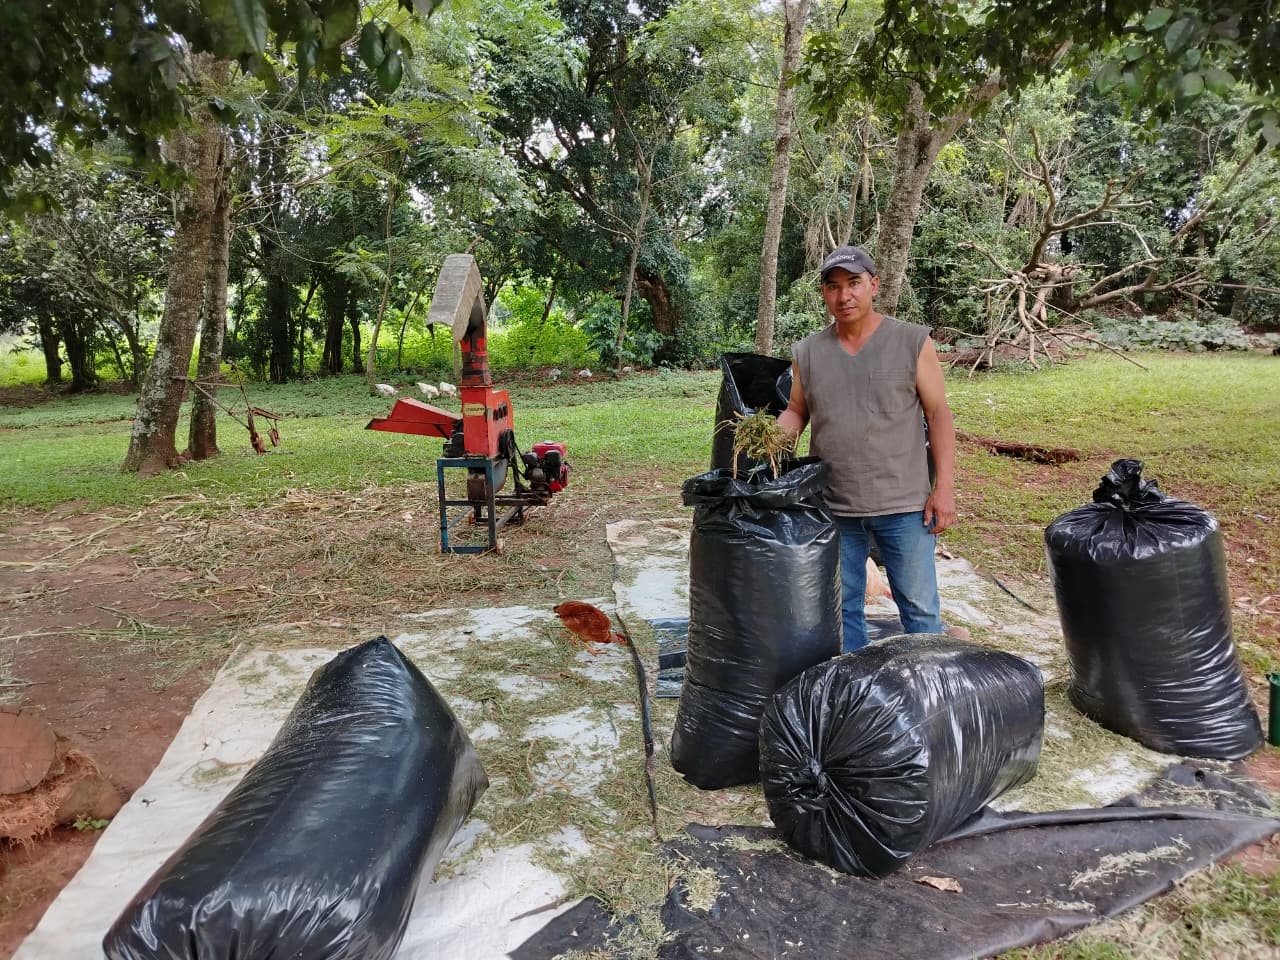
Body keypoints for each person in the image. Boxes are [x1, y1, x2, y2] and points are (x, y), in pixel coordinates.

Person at [777, 245, 957, 652]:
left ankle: (923, 695)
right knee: (842, 610)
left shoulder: (911, 342)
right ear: (823, 293)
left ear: (873, 285)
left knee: (920, 613)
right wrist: (771, 437)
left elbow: (939, 414)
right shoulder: (808, 352)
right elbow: (795, 411)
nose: (844, 296)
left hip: (905, 504)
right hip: (835, 505)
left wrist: (943, 487)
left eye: (854, 283)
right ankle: (858, 699)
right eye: (833, 287)